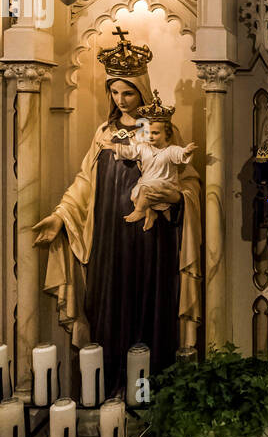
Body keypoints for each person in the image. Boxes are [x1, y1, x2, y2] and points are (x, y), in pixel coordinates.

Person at [32, 32, 201, 394]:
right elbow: (85, 183)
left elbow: (189, 182)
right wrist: (61, 215)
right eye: (114, 92)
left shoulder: (162, 131)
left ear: (142, 91)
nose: (121, 100)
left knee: (150, 303)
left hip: (152, 239)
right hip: (110, 237)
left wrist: (174, 196)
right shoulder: (104, 132)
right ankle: (110, 390)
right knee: (109, 304)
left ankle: (153, 391)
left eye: (128, 92)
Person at [105, 93, 197, 231]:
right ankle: (150, 213)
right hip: (147, 182)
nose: (150, 136)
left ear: (167, 134)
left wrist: (186, 152)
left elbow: (180, 155)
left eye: (155, 133)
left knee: (145, 193)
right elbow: (129, 151)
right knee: (137, 194)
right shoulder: (144, 148)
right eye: (147, 133)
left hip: (164, 183)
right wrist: (114, 147)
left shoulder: (170, 150)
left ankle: (140, 211)